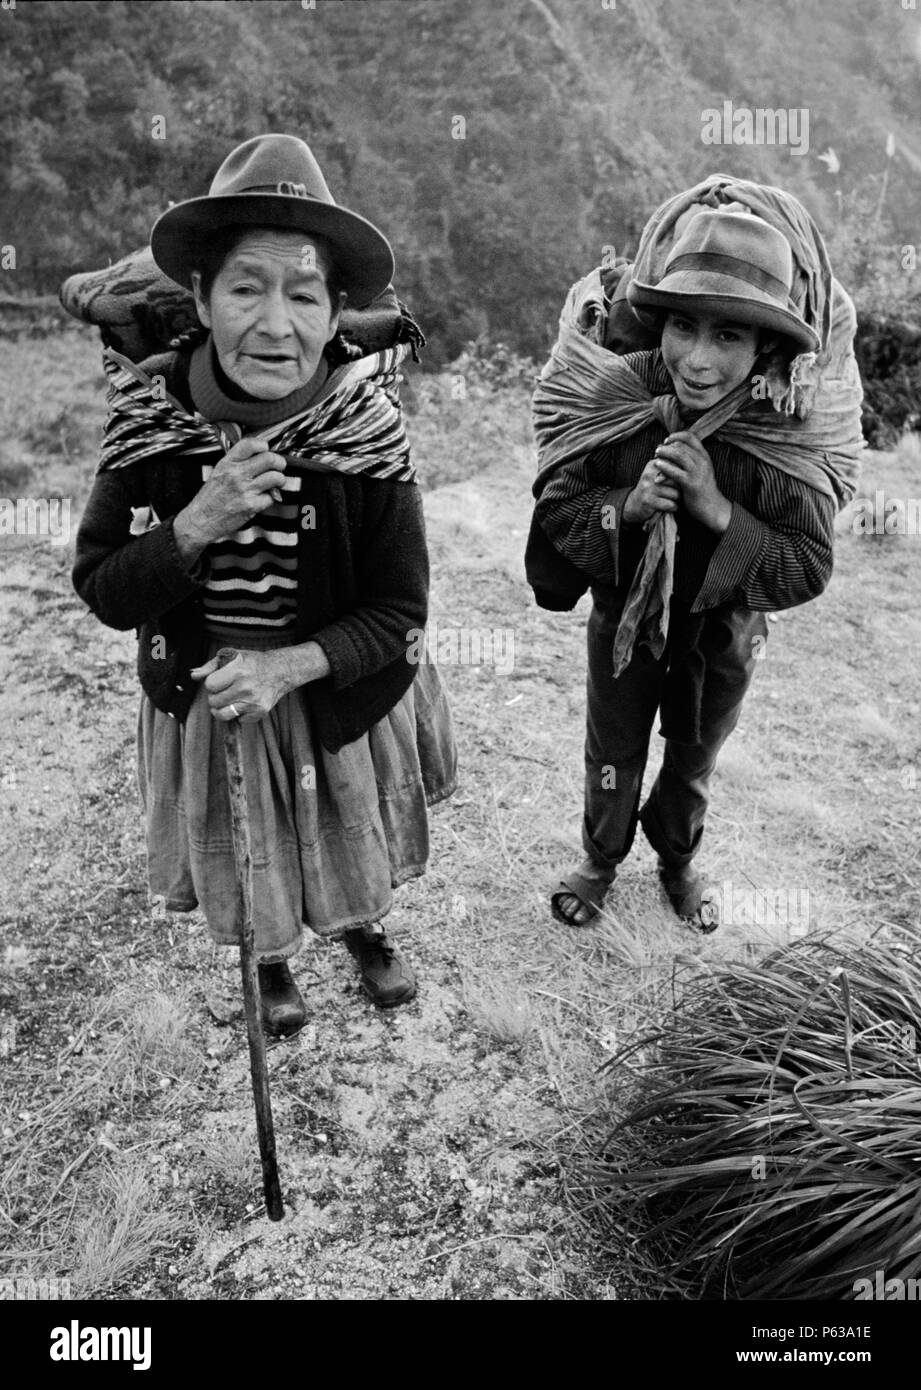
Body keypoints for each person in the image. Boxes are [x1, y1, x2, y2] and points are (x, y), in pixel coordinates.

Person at [73, 133, 456, 1034]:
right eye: (247, 287)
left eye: (304, 293)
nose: (275, 323)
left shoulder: (365, 435)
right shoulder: (150, 427)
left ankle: (362, 930)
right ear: (202, 298)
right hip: (211, 699)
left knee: (347, 822)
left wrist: (289, 665)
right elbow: (103, 588)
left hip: (332, 683)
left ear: (334, 314)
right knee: (253, 847)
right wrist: (198, 521)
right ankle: (272, 955)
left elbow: (400, 613)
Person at [526, 185, 863, 930]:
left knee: (694, 755)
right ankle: (599, 859)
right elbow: (558, 506)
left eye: (729, 338)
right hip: (625, 621)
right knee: (611, 743)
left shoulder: (782, 435)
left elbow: (805, 564)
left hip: (722, 633)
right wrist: (627, 509)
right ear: (657, 326)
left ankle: (677, 861)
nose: (699, 360)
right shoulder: (624, 397)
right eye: (683, 326)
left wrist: (715, 510)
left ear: (766, 349)